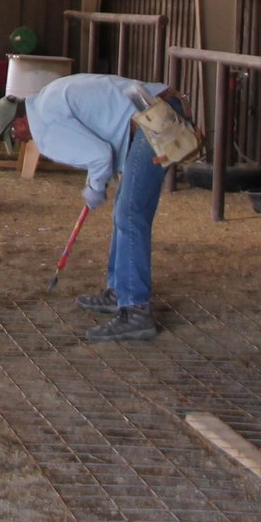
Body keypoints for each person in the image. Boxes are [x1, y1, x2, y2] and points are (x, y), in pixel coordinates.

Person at [26, 73, 178, 342]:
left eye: (14, 136)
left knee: (130, 213)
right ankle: (120, 292)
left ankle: (136, 310)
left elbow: (98, 155)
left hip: (153, 116)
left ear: (16, 124)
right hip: (153, 107)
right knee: (125, 208)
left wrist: (95, 189)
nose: (20, 141)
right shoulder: (47, 99)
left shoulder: (45, 126)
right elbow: (93, 141)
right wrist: (94, 183)